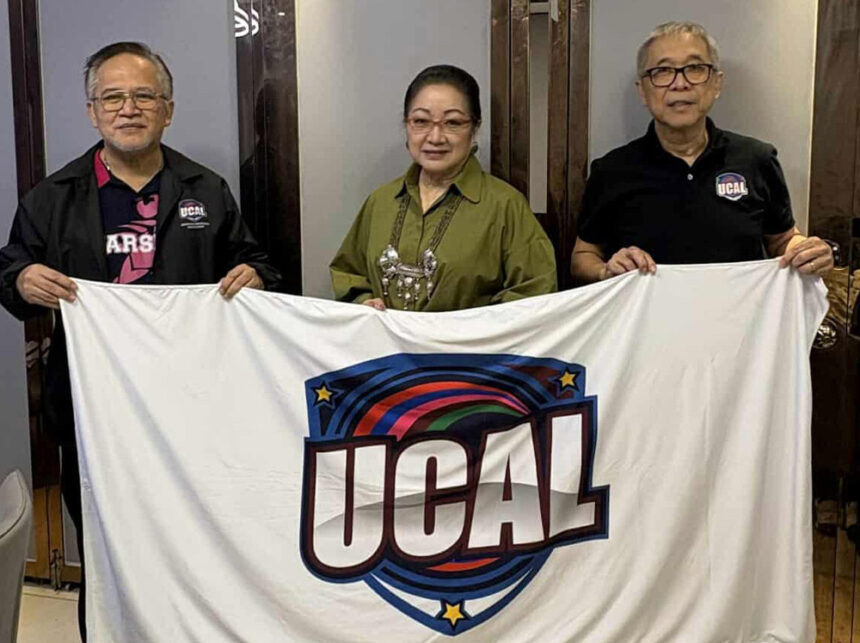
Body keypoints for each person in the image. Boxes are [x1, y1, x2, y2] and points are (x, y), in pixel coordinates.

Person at [0, 42, 281, 640]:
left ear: (168, 109)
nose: (128, 109)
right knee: (107, 553)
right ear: (92, 111)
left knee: (196, 550)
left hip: (194, 413)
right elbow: (10, 272)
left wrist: (255, 276)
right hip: (92, 416)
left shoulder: (206, 189)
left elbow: (257, 264)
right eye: (113, 98)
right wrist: (23, 280)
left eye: (144, 96)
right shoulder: (53, 197)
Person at [570, 21, 833, 282]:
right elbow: (583, 256)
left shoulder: (757, 159)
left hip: (740, 309)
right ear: (643, 91)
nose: (680, 83)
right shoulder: (611, 170)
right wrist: (606, 270)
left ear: (716, 83)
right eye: (662, 71)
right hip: (648, 311)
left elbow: (783, 239)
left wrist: (807, 251)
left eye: (694, 68)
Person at [330, 64, 556, 311]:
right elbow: (348, 273)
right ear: (406, 125)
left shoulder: (505, 206)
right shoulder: (381, 201)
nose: (435, 137)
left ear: (474, 129)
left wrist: (471, 326)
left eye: (453, 122)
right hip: (386, 337)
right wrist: (363, 302)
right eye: (421, 121)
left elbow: (536, 293)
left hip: (470, 338)